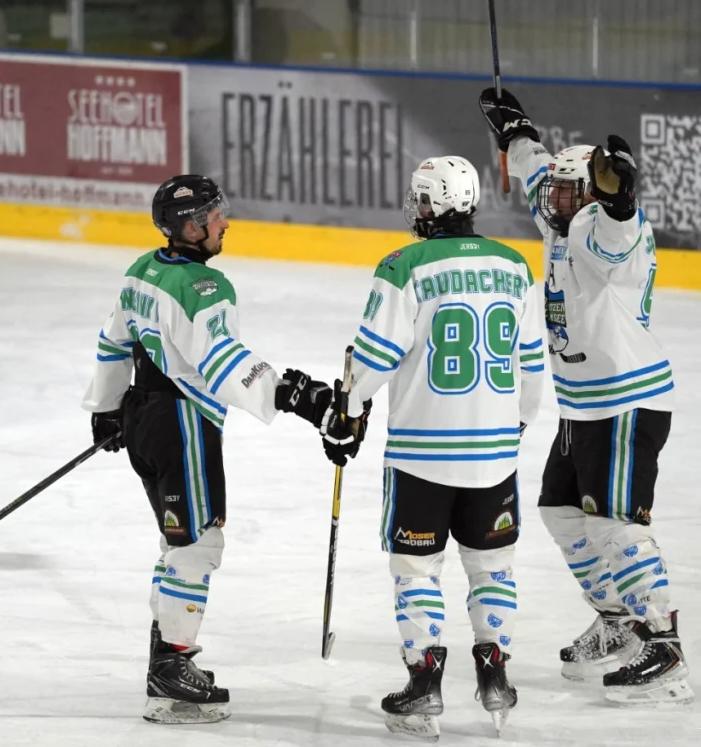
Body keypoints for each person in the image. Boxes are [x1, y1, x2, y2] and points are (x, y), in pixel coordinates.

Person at [282, 156, 545, 739]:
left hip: (422, 455)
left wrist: (347, 412)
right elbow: (531, 365)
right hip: (494, 455)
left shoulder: (404, 265)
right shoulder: (514, 264)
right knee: (492, 567)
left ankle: (424, 683)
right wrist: (516, 425)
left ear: (433, 204)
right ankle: (496, 675)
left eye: (421, 198)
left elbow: (372, 361)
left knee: (416, 570)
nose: (415, 207)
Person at [81, 174, 332, 724]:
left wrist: (106, 407)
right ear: (190, 227)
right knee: (197, 544)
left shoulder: (142, 269)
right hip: (182, 423)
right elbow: (221, 362)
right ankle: (172, 666)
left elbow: (113, 340)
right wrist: (291, 394)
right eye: (215, 216)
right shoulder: (204, 287)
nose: (225, 223)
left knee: (178, 543)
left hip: (143, 418)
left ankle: (165, 661)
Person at [479, 89, 690, 705]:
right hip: (583, 404)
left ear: (593, 196)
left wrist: (619, 198)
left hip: (624, 400)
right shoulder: (561, 209)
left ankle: (664, 644)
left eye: (570, 194)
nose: (553, 201)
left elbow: (619, 232)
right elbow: (535, 170)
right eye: (556, 193)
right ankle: (618, 621)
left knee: (615, 524)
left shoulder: (605, 227)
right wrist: (516, 131)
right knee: (561, 511)